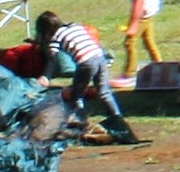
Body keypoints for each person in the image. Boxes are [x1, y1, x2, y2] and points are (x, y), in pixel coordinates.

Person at [37, 10, 138, 144]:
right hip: (100, 57)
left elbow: (52, 58)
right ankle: (119, 123)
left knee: (76, 95)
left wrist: (45, 77)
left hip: (86, 63)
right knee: (104, 93)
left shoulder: (55, 37)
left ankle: (80, 125)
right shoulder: (76, 26)